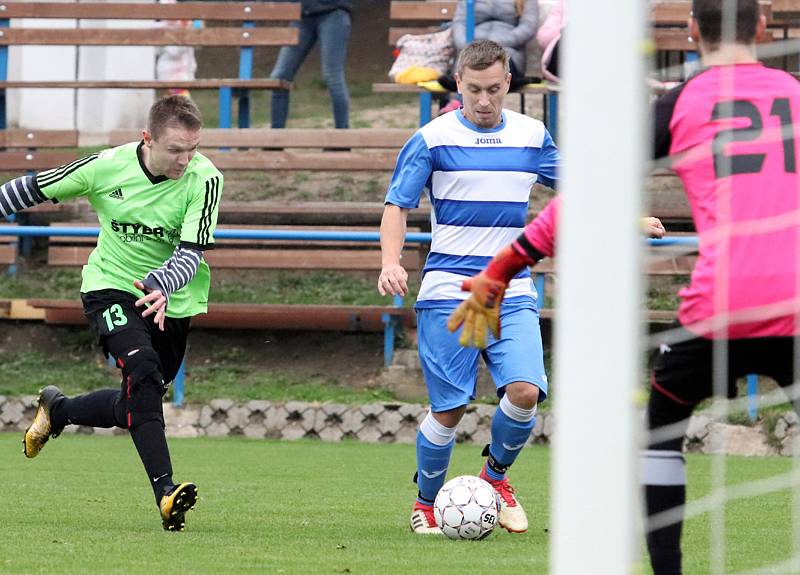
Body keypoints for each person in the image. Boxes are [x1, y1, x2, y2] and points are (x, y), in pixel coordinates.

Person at [453, 1, 800, 572]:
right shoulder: (792, 91)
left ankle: (667, 569)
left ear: (691, 32)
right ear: (762, 29)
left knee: (661, 435)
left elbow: (588, 195)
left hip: (720, 307)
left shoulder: (680, 103)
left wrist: (500, 271)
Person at [17, 94, 222, 533]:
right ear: (147, 138)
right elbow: (32, 188)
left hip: (171, 299)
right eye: (175, 150)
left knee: (138, 401)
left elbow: (191, 254)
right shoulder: (107, 167)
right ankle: (166, 494)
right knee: (143, 369)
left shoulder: (206, 178)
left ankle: (60, 410)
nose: (186, 159)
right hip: (109, 288)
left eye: (193, 148)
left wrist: (162, 284)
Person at [377, 39, 559, 535]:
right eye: (475, 89)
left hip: (511, 288)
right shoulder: (431, 139)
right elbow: (397, 205)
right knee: (450, 409)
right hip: (447, 292)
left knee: (525, 392)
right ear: (458, 84)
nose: (484, 100)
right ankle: (426, 502)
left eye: (494, 90)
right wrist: (390, 262)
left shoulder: (531, 134)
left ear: (507, 86)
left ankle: (495, 478)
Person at [438, 0, 539, 114]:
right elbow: (460, 23)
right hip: (473, 49)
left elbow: (528, 27)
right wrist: (467, 45)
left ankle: (457, 104)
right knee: (471, 62)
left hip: (508, 50)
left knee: (495, 62)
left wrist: (494, 45)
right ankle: (458, 103)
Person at [268, 0, 352, 129]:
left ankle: (341, 136)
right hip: (302, 16)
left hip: (333, 13)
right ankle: (275, 138)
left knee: (332, 76)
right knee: (279, 76)